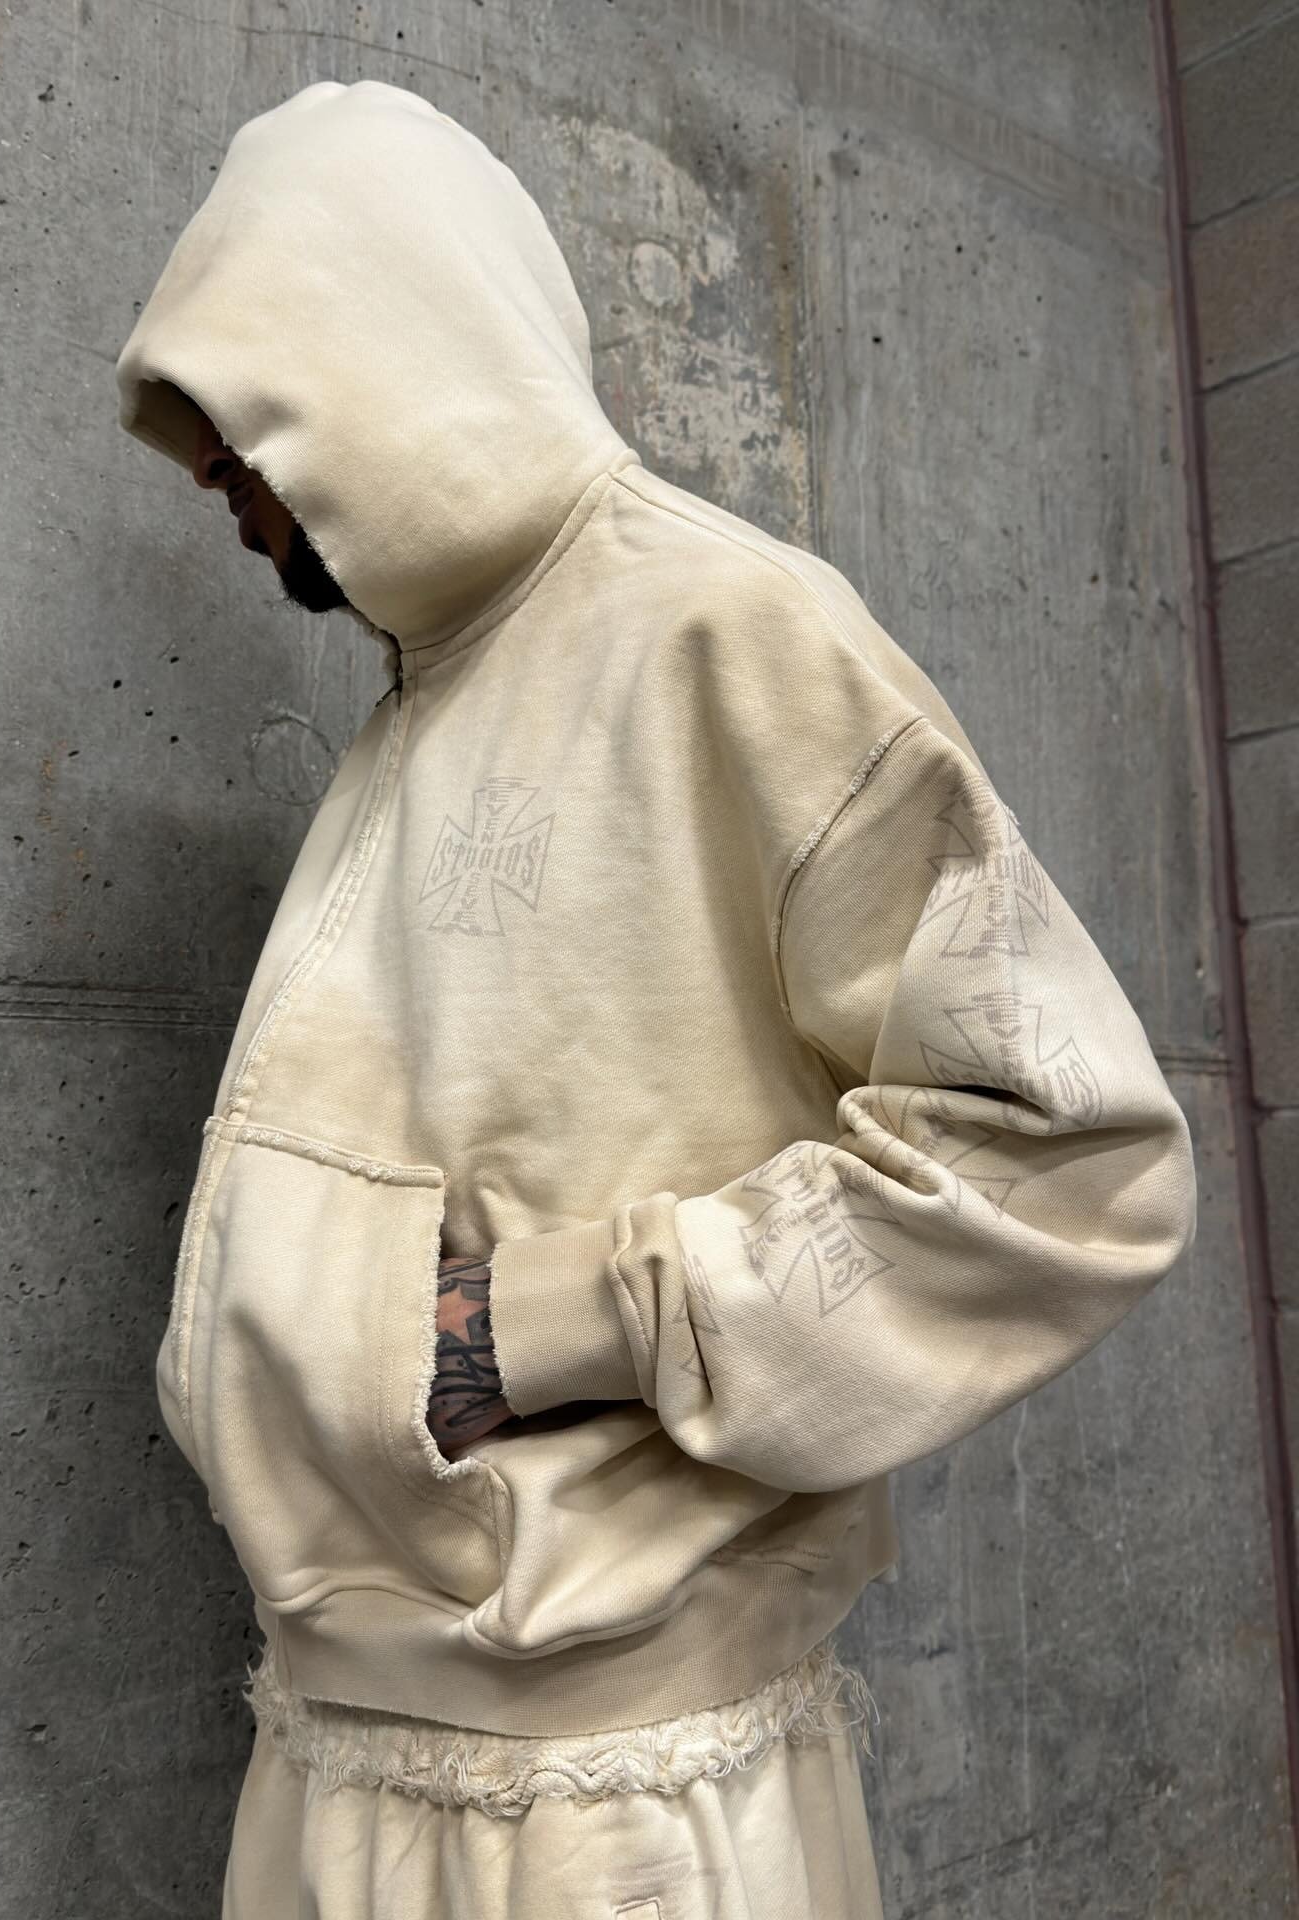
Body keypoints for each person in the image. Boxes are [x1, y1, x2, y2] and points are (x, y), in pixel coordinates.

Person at [114, 78, 1198, 1920]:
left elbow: (1068, 1159)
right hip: (349, 1744)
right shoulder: (426, 708)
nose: (220, 481)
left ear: (380, 349)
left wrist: (523, 1327)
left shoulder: (721, 628)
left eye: (242, 419)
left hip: (598, 1810)